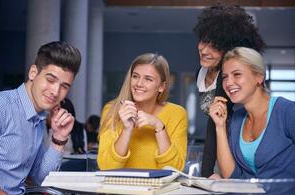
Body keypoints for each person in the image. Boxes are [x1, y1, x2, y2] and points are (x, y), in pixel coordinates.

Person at [0, 41, 81, 195]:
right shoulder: (1, 107)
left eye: (64, 86)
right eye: (50, 79)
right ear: (33, 72)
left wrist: (59, 139)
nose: (56, 91)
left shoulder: (37, 119)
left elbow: (41, 178)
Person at [193, 3, 266, 177]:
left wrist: (207, 173)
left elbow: (216, 126)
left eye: (215, 46)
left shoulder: (227, 81)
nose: (204, 50)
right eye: (203, 41)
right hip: (220, 144)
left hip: (234, 151)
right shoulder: (200, 73)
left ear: (230, 49)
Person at [209, 47, 295, 179]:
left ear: (259, 77)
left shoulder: (287, 112)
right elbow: (231, 175)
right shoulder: (237, 119)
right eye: (225, 77)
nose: (229, 83)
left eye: (237, 74)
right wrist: (219, 126)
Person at [97, 53, 188, 170]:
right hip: (119, 187)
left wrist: (159, 126)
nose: (139, 84)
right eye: (135, 76)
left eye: (148, 79)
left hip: (158, 188)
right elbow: (106, 167)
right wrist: (126, 130)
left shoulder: (177, 114)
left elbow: (175, 169)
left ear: (161, 86)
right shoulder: (112, 110)